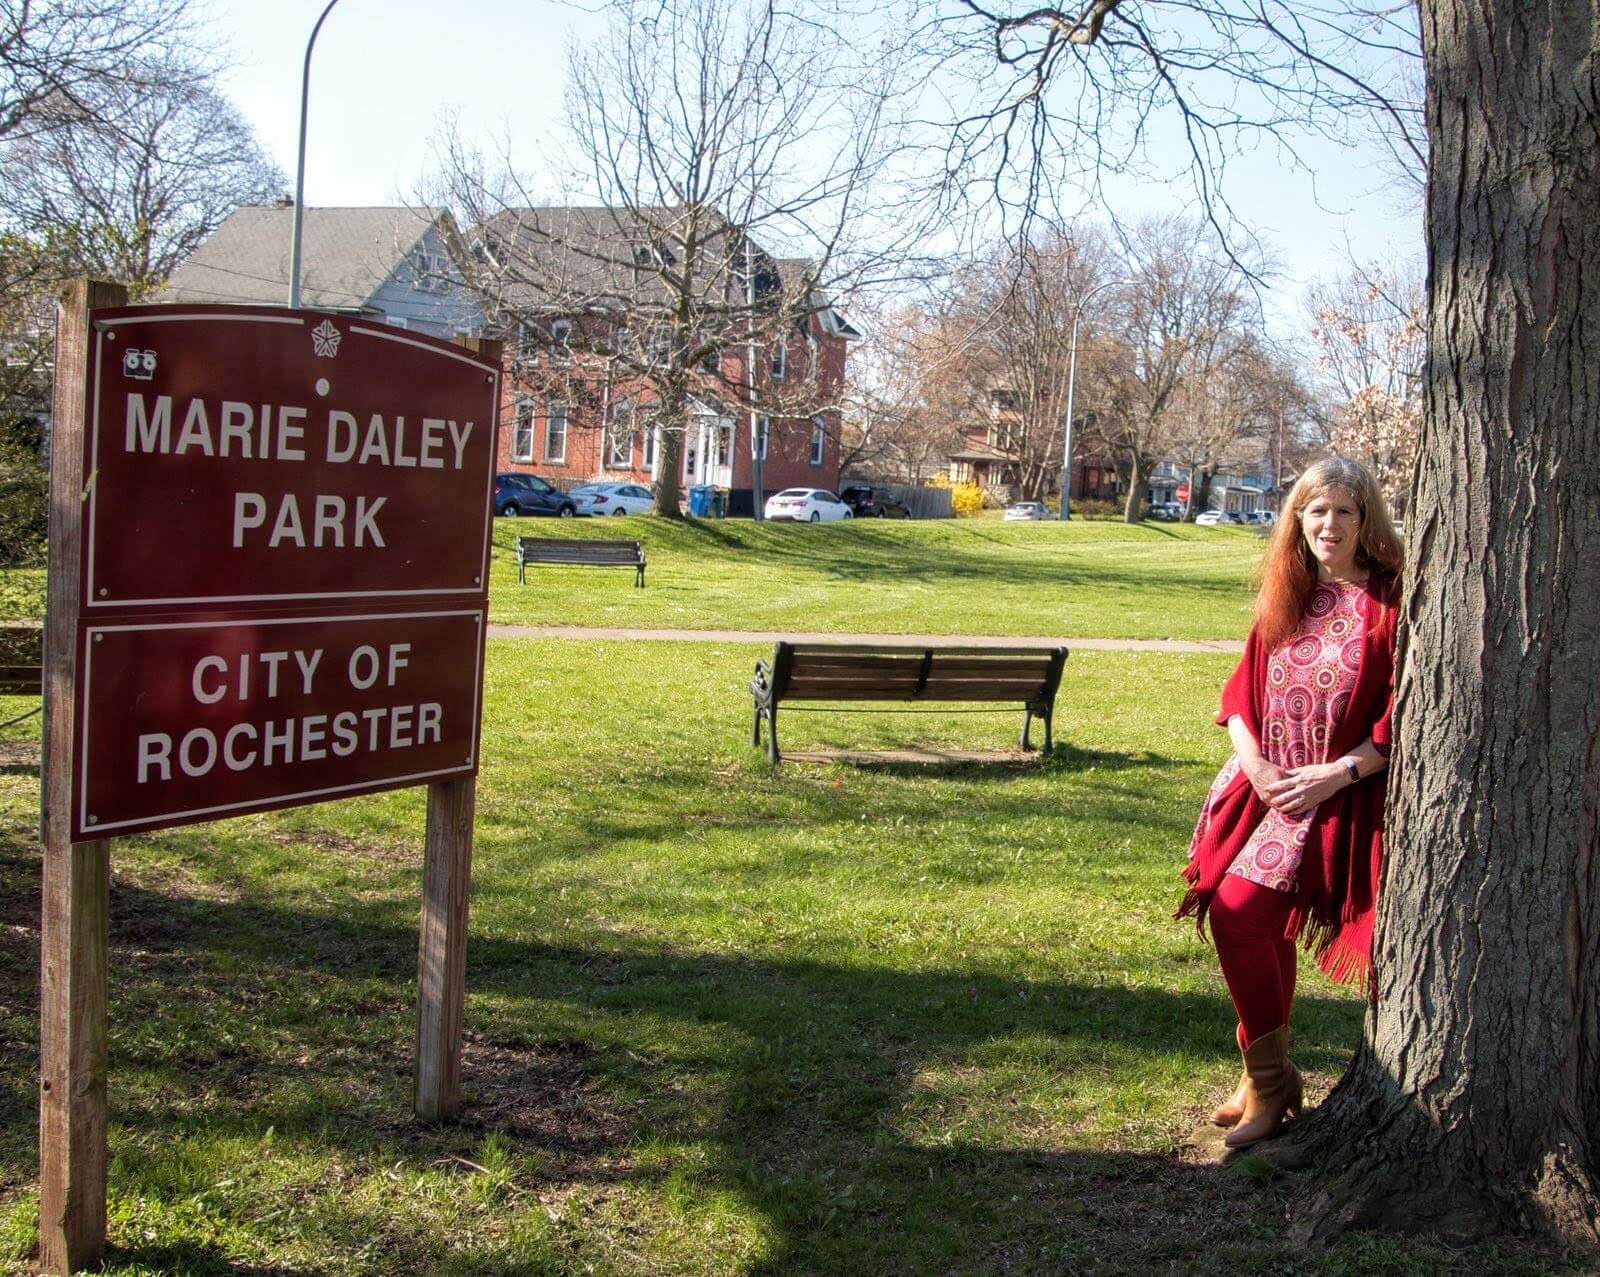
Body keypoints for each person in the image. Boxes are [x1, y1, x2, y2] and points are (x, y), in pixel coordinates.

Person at [1177, 458, 1403, 1148]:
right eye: (1315, 511)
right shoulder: (1288, 590)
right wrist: (1254, 760)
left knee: (1246, 914)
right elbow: (1240, 690)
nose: (1328, 525)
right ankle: (1266, 1078)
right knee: (1241, 916)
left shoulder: (1394, 603)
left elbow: (1405, 714)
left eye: (1342, 511)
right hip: (1267, 788)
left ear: (1366, 522)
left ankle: (1269, 1084)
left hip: (1337, 797)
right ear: (1296, 521)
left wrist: (1337, 773)